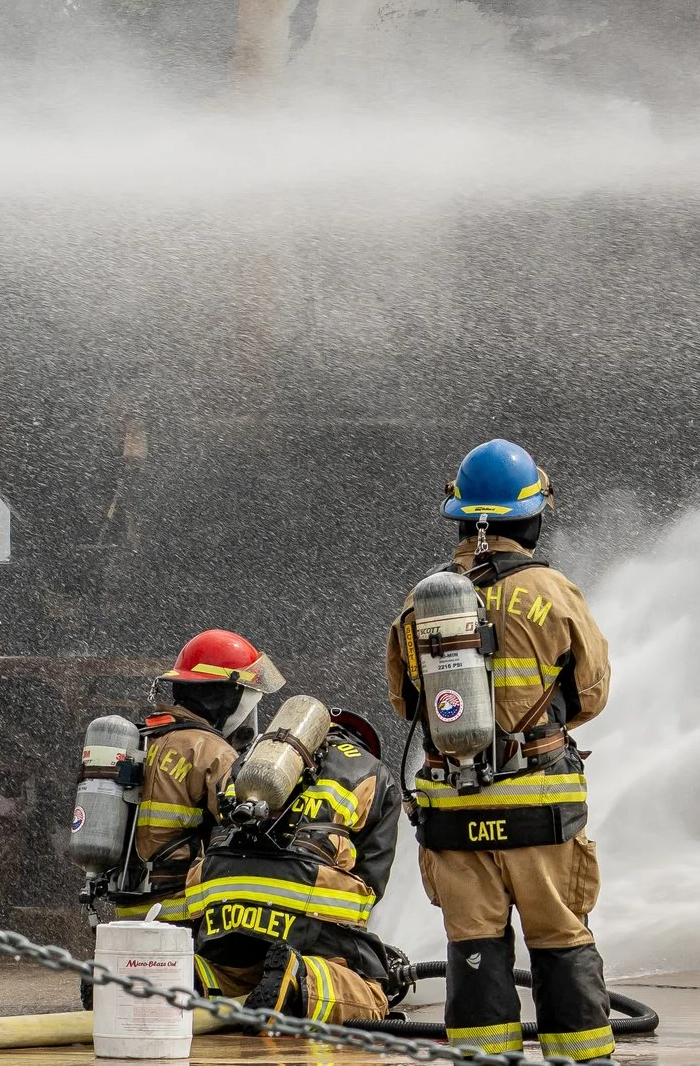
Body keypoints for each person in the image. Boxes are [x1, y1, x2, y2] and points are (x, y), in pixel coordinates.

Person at [387, 439, 615, 1062]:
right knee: (560, 940)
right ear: (530, 517)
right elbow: (592, 692)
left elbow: (407, 703)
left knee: (474, 949)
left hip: (453, 815)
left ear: (461, 518)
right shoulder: (553, 591)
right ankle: (581, 1057)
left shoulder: (421, 601)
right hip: (539, 808)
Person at [185, 707, 413, 1022]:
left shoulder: (248, 758)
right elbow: (371, 880)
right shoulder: (373, 772)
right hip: (302, 914)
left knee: (236, 972)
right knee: (371, 995)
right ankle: (299, 978)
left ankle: (200, 978)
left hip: (223, 909)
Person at [107, 629, 285, 923]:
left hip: (127, 912)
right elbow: (247, 826)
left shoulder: (142, 740)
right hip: (181, 913)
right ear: (227, 697)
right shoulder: (210, 750)